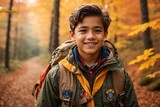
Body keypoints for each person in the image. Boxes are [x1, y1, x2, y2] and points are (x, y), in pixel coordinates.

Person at [36, 4, 138, 107]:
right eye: (83, 30)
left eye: (97, 30)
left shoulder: (120, 75)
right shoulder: (57, 75)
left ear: (105, 34)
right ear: (73, 35)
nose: (90, 36)